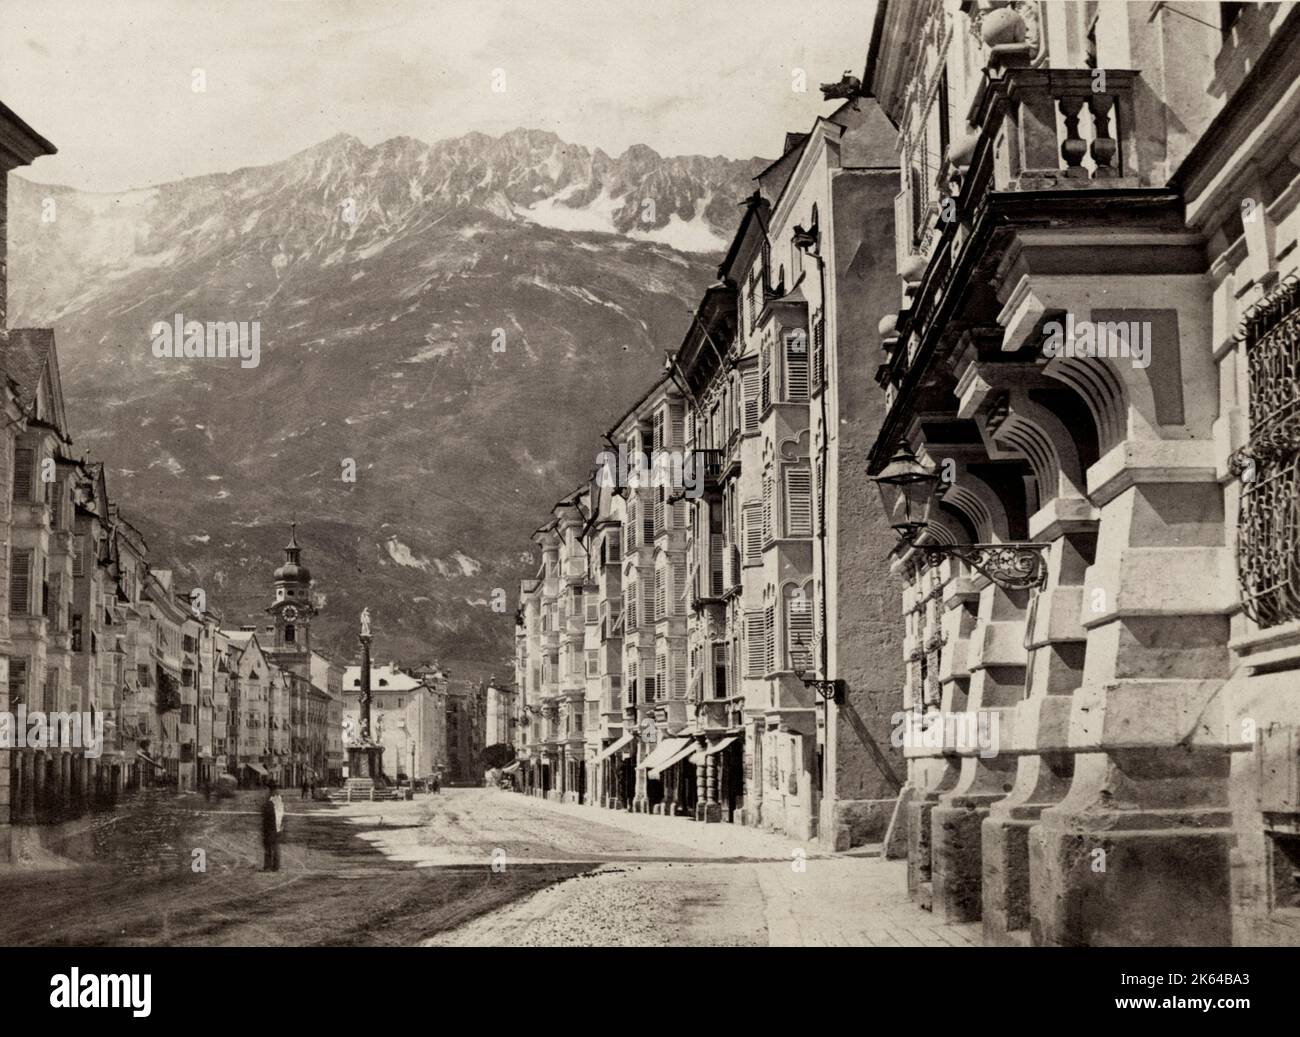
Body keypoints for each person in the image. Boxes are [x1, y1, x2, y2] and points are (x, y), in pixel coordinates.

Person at [261, 782, 285, 872]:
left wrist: (266, 827)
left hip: (271, 826)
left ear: (270, 789)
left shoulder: (271, 800)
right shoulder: (279, 798)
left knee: (268, 846)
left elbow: (268, 814)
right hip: (278, 826)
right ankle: (276, 866)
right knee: (275, 846)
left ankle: (267, 867)